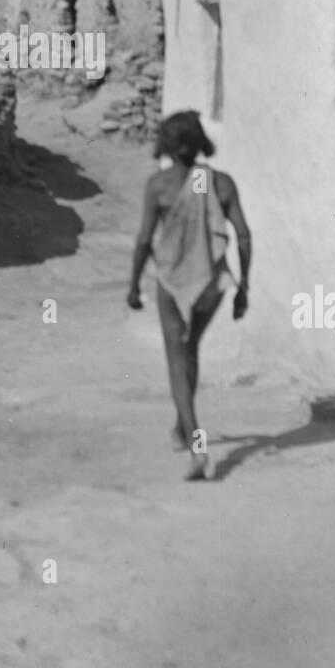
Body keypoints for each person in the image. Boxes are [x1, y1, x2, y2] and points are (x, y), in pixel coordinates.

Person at [127, 111, 251, 481]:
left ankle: (197, 448)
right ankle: (182, 427)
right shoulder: (221, 183)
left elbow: (145, 240)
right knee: (190, 348)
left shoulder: (160, 185)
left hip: (174, 281)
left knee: (176, 358)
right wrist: (244, 286)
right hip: (212, 284)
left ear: (169, 145)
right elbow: (243, 236)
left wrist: (133, 285)